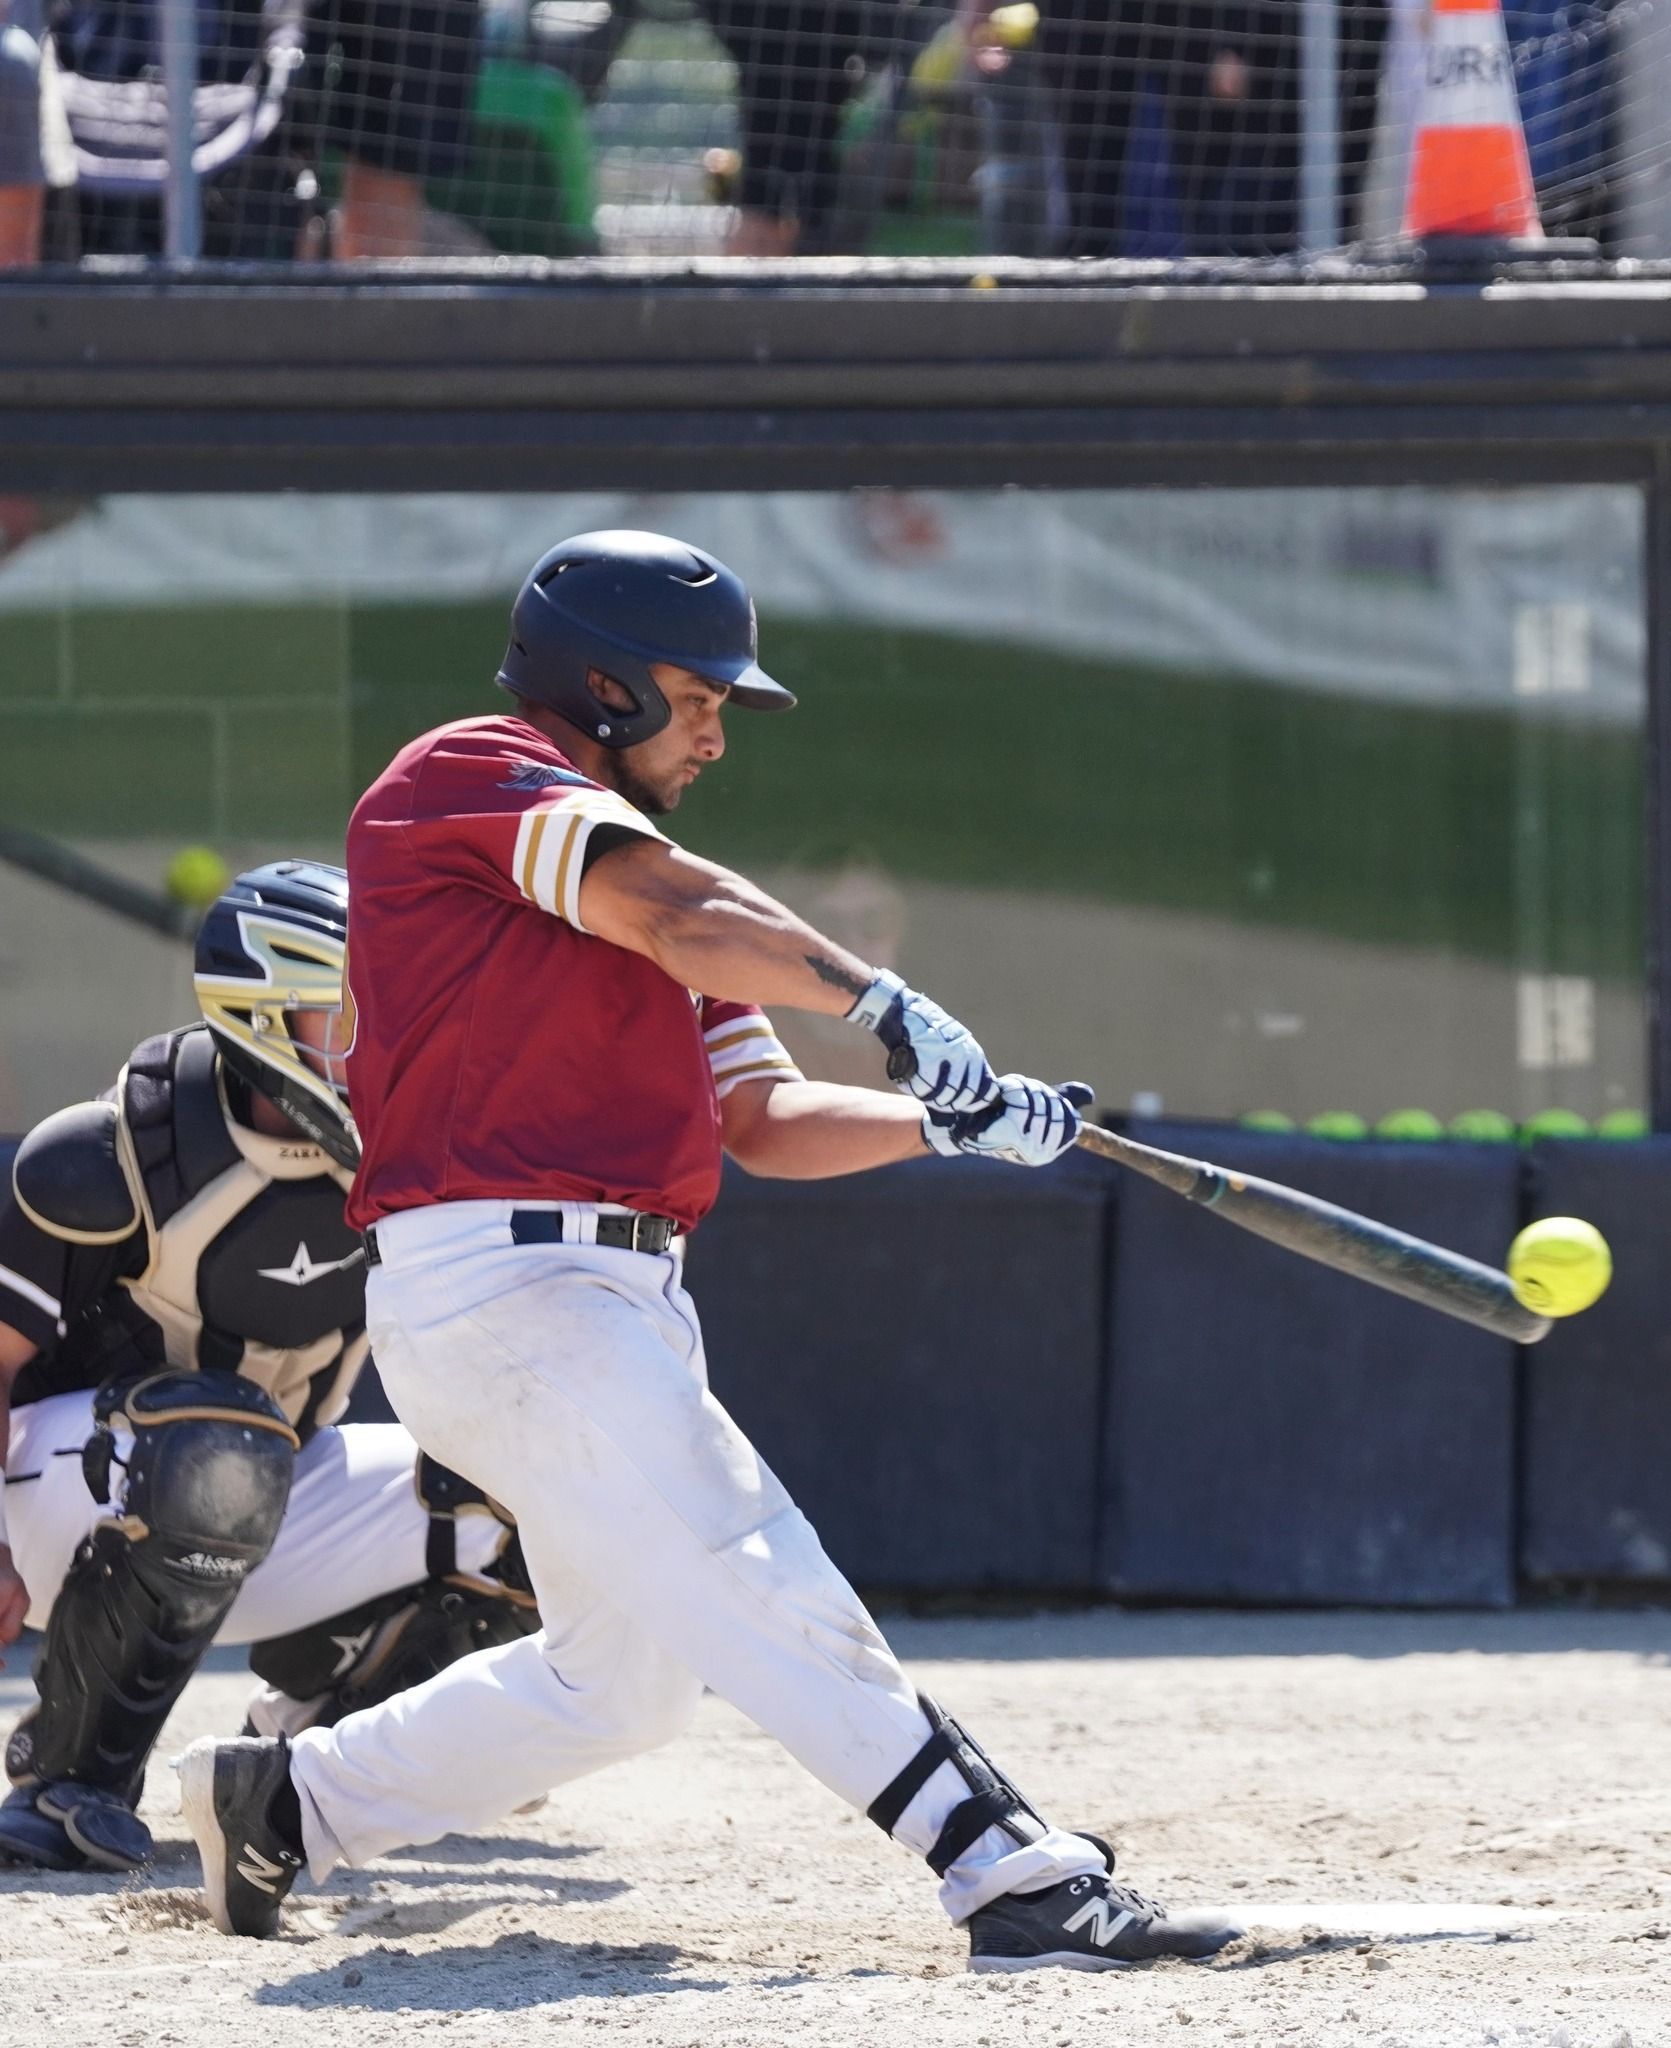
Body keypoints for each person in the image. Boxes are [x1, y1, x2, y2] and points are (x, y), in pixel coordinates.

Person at [177, 530, 1243, 1975]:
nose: (716, 733)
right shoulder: (473, 776)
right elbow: (676, 911)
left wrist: (951, 1122)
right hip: (509, 1284)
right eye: (699, 695)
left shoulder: (655, 901)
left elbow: (765, 1116)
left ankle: (289, 1804)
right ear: (600, 682)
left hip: (603, 1296)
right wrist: (889, 999)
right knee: (746, 1558)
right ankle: (1008, 1874)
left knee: (624, 1685)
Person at [0, 859, 536, 1873]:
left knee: (529, 1495)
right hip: (55, 1513)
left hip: (250, 1495)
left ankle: (315, 1764)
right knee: (220, 1438)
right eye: (349, 1018)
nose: (382, 1044)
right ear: (259, 1017)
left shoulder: (419, 1157)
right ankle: (65, 1780)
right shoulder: (123, 1147)